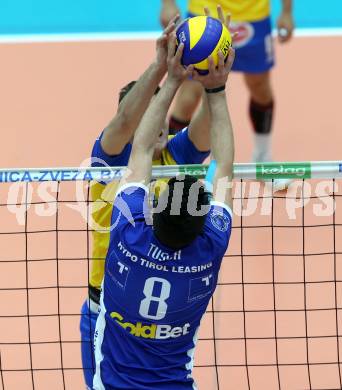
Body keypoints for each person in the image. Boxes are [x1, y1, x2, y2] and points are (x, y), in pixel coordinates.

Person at [93, 31, 235, 390]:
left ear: (153, 212)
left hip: (113, 321)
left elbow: (142, 150)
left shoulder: (127, 230)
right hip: (165, 368)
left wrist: (175, 76)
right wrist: (215, 85)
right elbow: (224, 166)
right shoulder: (209, 248)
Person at [161, 0, 294, 189]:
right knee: (189, 97)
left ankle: (262, 158)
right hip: (205, 13)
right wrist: (168, 3)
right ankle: (172, 173)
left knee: (260, 87)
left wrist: (287, 11)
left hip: (253, 15)